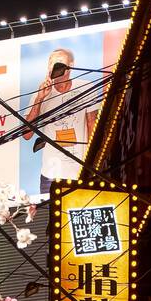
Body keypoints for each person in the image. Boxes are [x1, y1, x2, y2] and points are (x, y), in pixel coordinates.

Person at [23, 48, 98, 195]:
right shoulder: (40, 94)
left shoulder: (86, 88)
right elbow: (26, 135)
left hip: (79, 172)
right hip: (51, 175)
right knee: (51, 215)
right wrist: (39, 99)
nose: (55, 67)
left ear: (71, 65)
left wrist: (91, 165)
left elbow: (92, 125)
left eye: (60, 63)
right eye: (52, 64)